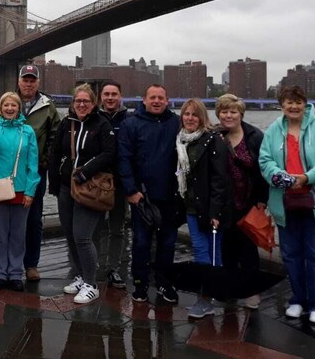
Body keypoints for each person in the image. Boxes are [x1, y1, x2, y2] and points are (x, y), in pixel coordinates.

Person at [259, 85, 315, 326]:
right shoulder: (273, 130)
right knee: (291, 254)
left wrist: (307, 177)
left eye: (299, 102)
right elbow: (264, 160)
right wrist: (281, 177)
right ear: (281, 105)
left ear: (305, 104)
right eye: (289, 102)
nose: (294, 106)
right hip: (285, 203)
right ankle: (298, 299)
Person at [48, 84, 116, 304]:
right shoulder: (67, 124)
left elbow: (109, 153)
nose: (82, 105)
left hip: (90, 188)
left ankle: (91, 284)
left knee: (83, 237)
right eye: (78, 101)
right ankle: (80, 275)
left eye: (86, 101)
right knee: (69, 234)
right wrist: (54, 182)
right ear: (72, 103)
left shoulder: (102, 124)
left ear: (93, 103)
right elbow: (55, 152)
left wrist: (85, 172)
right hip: (67, 187)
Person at [118, 84, 180, 303]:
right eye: (152, 97)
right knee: (141, 243)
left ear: (167, 100)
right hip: (142, 197)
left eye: (160, 98)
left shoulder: (177, 123)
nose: (156, 101)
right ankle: (140, 284)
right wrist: (131, 191)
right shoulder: (130, 124)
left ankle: (164, 284)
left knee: (168, 243)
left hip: (170, 196)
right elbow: (123, 159)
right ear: (143, 100)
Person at [175, 98, 229, 319]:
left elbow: (220, 178)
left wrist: (215, 212)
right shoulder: (181, 141)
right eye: (186, 114)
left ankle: (206, 299)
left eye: (194, 115)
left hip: (209, 208)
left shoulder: (212, 140)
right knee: (203, 250)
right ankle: (208, 296)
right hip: (191, 206)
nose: (189, 118)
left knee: (207, 251)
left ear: (202, 118)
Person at [215, 93, 268, 311]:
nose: (229, 115)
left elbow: (264, 169)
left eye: (233, 111)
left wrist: (262, 200)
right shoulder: (215, 136)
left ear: (241, 114)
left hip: (248, 201)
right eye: (224, 111)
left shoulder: (255, 136)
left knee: (248, 250)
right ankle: (230, 288)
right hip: (225, 202)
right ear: (218, 114)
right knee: (226, 248)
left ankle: (251, 291)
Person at [0, 92, 40, 291]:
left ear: (18, 109)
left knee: (18, 234)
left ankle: (15, 273)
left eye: (13, 105)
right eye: (5, 105)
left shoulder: (28, 132)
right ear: (0, 108)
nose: (9, 109)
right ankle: (0, 273)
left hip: (21, 189)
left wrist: (31, 191)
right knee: (0, 235)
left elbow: (33, 164)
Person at [16, 65, 61, 282]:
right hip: (11, 174)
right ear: (19, 81)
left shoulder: (48, 106)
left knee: (34, 219)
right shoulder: (7, 101)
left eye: (32, 80)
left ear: (38, 82)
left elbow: (56, 137)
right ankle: (12, 263)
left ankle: (31, 264)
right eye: (25, 79)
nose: (29, 83)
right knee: (11, 219)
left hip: (36, 172)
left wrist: (44, 161)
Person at [95, 80, 131, 288]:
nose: (110, 98)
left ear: (120, 96)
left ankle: (114, 268)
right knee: (96, 227)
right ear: (101, 97)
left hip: (119, 183)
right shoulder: (93, 118)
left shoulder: (129, 119)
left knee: (117, 228)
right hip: (96, 183)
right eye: (106, 94)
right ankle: (96, 265)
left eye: (114, 94)